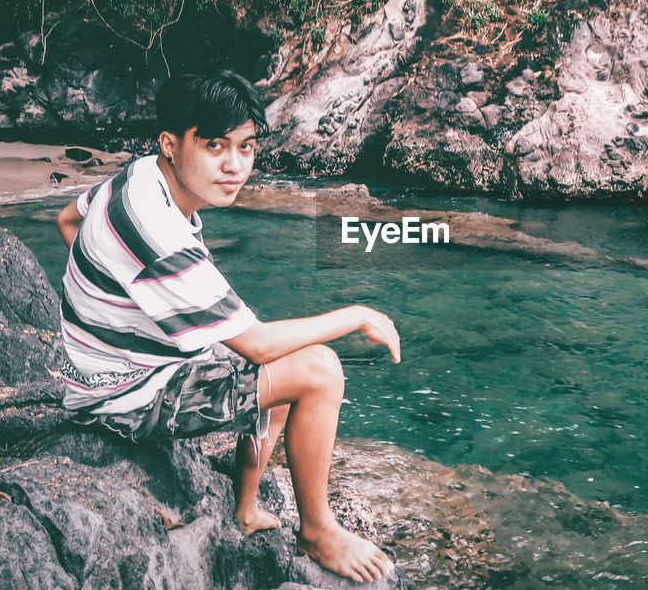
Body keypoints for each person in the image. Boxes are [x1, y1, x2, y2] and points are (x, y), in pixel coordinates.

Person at [53, 70, 400, 584]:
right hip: (123, 399)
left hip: (104, 370)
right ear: (172, 144)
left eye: (246, 147)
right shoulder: (159, 231)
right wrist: (357, 315)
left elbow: (67, 220)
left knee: (282, 365)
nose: (235, 166)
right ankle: (318, 531)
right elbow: (257, 346)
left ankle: (244, 509)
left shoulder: (138, 175)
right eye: (215, 146)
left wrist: (125, 298)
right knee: (320, 369)